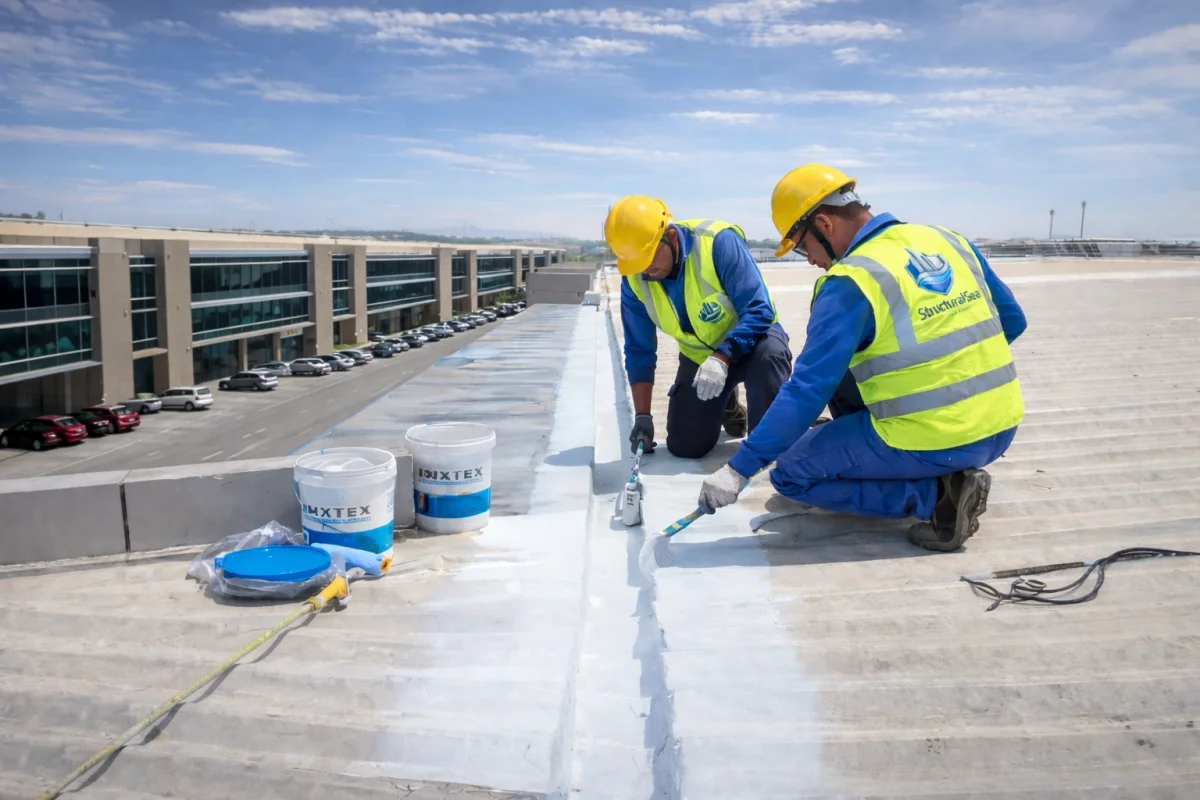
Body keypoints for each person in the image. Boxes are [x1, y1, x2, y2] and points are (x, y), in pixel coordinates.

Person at [698, 165, 1027, 551]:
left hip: (939, 437)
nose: (809, 260)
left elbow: (807, 389)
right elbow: (1012, 322)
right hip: (1002, 424)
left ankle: (940, 498)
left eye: (803, 246)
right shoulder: (945, 238)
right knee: (845, 368)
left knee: (790, 472)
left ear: (824, 223)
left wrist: (739, 469)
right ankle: (923, 462)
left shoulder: (850, 282)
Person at [605, 196, 793, 459]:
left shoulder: (718, 243)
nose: (645, 269)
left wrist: (723, 357)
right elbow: (639, 350)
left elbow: (759, 309)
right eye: (637, 263)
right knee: (685, 447)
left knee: (770, 357)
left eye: (648, 257)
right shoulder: (635, 281)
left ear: (670, 236)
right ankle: (726, 402)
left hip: (754, 344)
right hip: (701, 358)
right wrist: (643, 416)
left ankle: (772, 438)